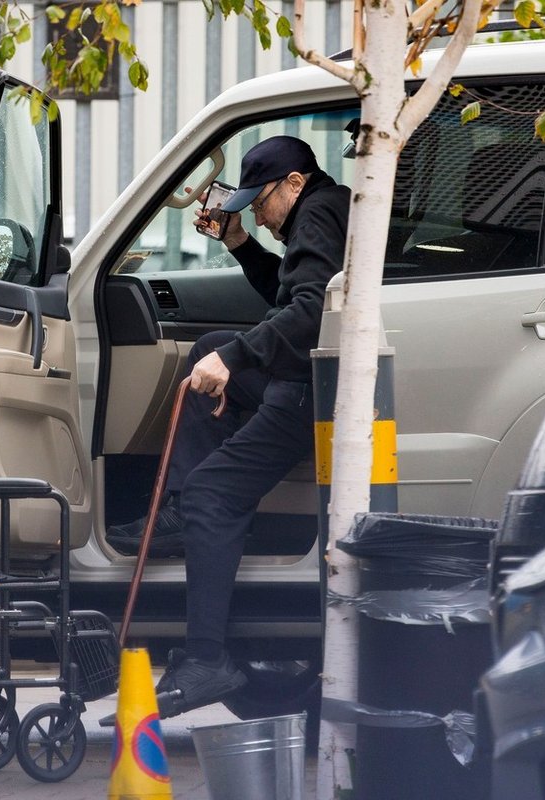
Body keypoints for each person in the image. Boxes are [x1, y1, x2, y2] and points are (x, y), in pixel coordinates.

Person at [108, 135, 351, 717]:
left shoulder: (317, 210)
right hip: (303, 380)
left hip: (307, 393)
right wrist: (240, 244)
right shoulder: (323, 210)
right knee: (206, 353)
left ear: (294, 183)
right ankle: (180, 508)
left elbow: (312, 310)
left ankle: (207, 658)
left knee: (215, 493)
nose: (256, 215)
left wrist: (238, 357)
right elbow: (290, 292)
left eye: (259, 203)